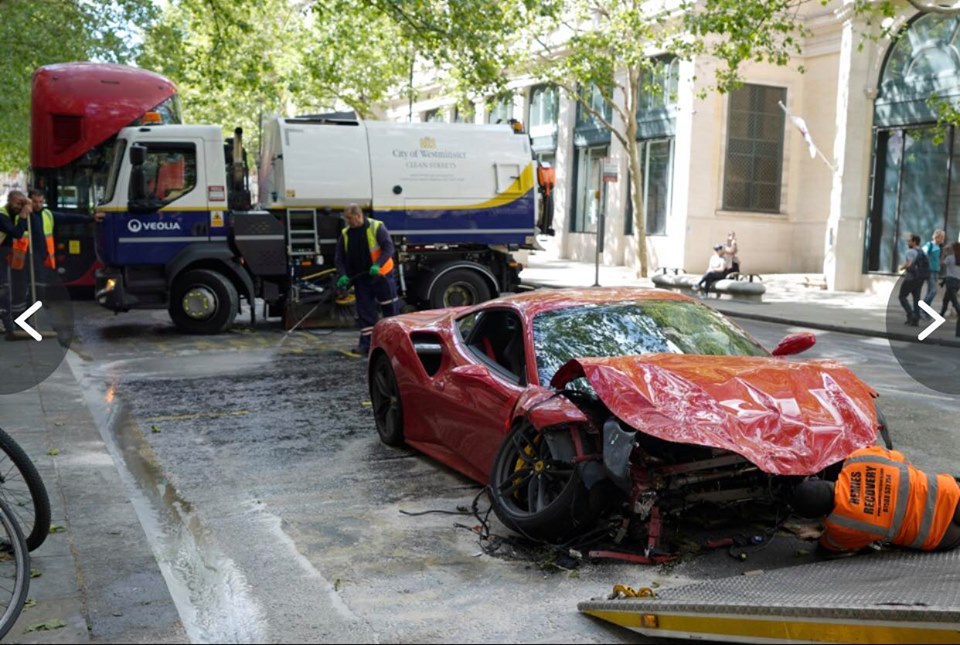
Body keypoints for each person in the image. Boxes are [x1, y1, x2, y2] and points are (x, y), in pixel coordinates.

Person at [790, 445, 960, 554]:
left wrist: (822, 528)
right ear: (819, 480)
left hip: (941, 534)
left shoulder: (842, 525)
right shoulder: (858, 458)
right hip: (948, 491)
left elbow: (828, 549)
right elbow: (900, 458)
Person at [334, 204, 399, 355]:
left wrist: (377, 265)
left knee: (390, 310)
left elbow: (389, 248)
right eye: (346, 218)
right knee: (365, 311)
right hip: (361, 278)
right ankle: (366, 345)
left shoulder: (376, 227)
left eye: (349, 218)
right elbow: (339, 258)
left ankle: (394, 343)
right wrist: (342, 274)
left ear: (358, 215)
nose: (347, 221)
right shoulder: (346, 234)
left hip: (381, 276)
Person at [0, 192, 29, 339]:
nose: (19, 206)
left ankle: (7, 326)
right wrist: (24, 214)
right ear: (9, 201)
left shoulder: (10, 214)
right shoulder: (2, 215)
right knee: (4, 290)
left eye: (21, 203)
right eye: (17, 203)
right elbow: (17, 233)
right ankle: (9, 328)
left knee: (4, 290)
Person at [898, 234, 928, 327]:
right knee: (916, 299)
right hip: (920, 279)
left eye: (909, 241)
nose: (908, 242)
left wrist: (902, 268)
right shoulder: (922, 251)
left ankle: (910, 314)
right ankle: (916, 320)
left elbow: (909, 264)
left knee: (902, 296)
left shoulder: (910, 251)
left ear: (914, 242)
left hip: (911, 278)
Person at [922, 229, 946, 312]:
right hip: (930, 271)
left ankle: (925, 311)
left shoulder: (940, 246)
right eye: (941, 237)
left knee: (930, 291)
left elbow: (939, 260)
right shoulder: (930, 245)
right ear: (936, 237)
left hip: (936, 271)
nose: (942, 239)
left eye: (943, 237)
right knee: (933, 291)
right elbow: (922, 252)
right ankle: (921, 307)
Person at [940, 241, 960, 319]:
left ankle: (958, 312)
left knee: (954, 302)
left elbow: (941, 263)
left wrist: (944, 252)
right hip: (958, 282)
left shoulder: (950, 258)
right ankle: (941, 314)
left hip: (950, 282)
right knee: (946, 299)